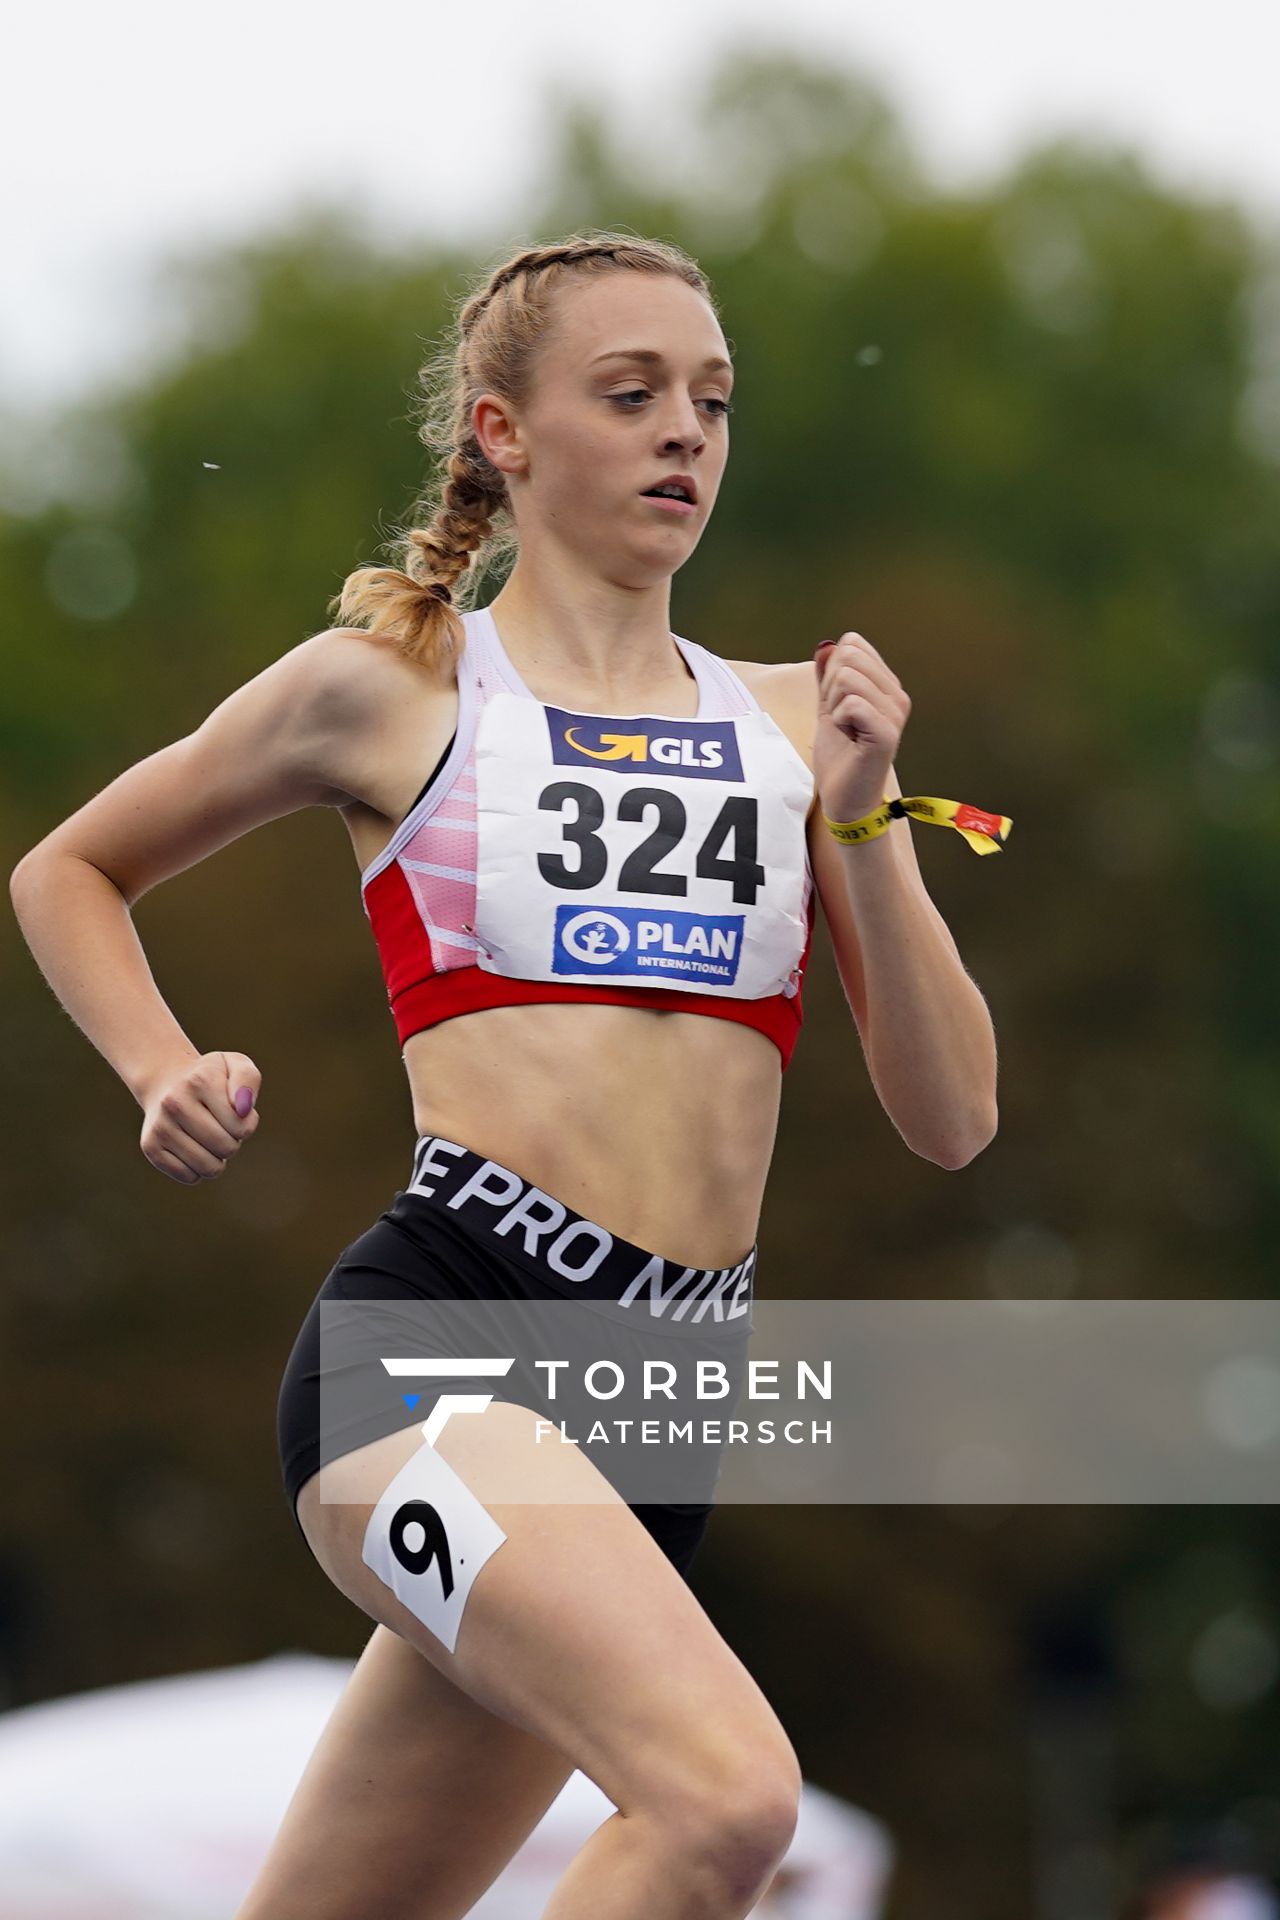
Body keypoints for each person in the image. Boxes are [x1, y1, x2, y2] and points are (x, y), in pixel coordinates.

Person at [9, 229, 1004, 1919]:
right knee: (724, 1805)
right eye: (632, 395)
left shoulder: (796, 730)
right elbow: (68, 870)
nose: (685, 431)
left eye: (713, 399)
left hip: (656, 1411)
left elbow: (954, 1119)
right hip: (433, 1356)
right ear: (504, 434)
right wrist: (159, 1064)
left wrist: (863, 818)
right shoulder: (391, 690)